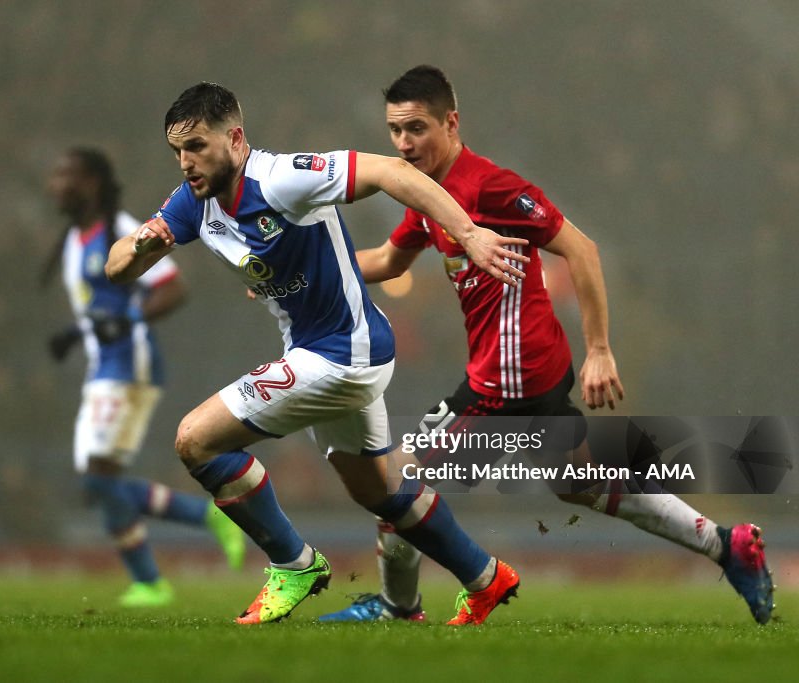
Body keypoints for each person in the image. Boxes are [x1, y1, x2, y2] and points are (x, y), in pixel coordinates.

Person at [318, 65, 774, 625]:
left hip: (510, 375)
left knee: (397, 482)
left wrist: (600, 349)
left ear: (451, 123)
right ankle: (729, 547)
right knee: (579, 482)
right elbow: (389, 261)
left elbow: (581, 249)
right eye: (395, 131)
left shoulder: (491, 187)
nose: (403, 144)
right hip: (527, 367)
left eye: (416, 129)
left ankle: (398, 606)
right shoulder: (427, 197)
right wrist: (314, 272)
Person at [105, 82, 532, 625]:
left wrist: (468, 233)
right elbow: (118, 266)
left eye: (197, 147)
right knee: (378, 490)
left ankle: (293, 564)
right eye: (178, 152)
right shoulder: (193, 202)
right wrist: (142, 245)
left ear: (235, 139)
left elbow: (391, 172)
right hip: (330, 351)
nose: (187, 162)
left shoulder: (282, 179)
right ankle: (485, 577)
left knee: (197, 441)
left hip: (342, 356)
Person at [43, 147, 245, 608]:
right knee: (100, 480)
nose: (55, 185)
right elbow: (102, 309)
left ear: (92, 182)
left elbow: (172, 288)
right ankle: (187, 540)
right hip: (104, 366)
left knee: (98, 478)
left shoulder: (119, 230)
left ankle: (155, 575)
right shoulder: (76, 238)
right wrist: (77, 335)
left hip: (128, 364)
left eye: (65, 175)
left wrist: (128, 322)